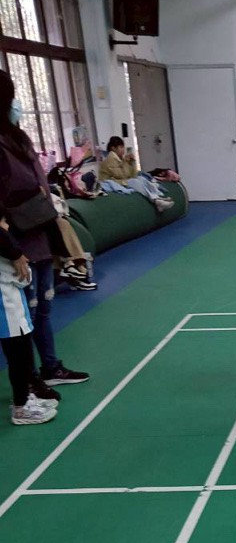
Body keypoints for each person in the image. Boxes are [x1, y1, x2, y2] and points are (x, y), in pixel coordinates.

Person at [0, 70, 89, 395]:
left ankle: (49, 367)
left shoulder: (18, 139)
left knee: (43, 308)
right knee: (24, 315)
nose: (17, 105)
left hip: (40, 234)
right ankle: (27, 381)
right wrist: (12, 247)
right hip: (15, 242)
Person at [1, 217, 56, 424]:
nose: (7, 226)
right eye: (4, 222)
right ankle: (21, 407)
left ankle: (25, 397)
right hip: (6, 310)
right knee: (18, 358)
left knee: (22, 356)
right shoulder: (6, 252)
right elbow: (22, 278)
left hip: (14, 308)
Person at [98, 137, 175, 212]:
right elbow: (121, 175)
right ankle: (156, 200)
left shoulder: (120, 159)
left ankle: (158, 197)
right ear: (113, 148)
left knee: (141, 179)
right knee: (135, 182)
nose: (123, 149)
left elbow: (132, 175)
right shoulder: (110, 159)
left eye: (123, 147)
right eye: (121, 147)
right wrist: (125, 162)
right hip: (112, 182)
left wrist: (132, 162)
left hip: (121, 181)